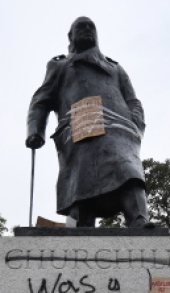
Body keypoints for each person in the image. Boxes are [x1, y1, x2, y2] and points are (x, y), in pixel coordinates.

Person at [26, 16, 153, 228]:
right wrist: (35, 130)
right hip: (80, 125)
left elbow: (133, 100)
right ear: (71, 35)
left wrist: (135, 124)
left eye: (90, 27)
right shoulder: (60, 66)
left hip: (118, 128)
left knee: (128, 169)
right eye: (81, 27)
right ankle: (80, 228)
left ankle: (139, 219)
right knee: (80, 182)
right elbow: (41, 100)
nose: (87, 30)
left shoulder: (115, 68)